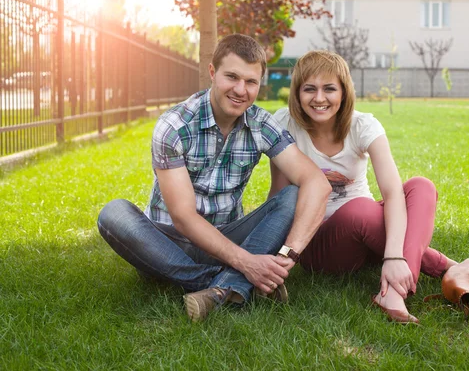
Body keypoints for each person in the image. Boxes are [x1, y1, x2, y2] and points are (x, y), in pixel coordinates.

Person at [97, 34, 331, 322]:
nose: (240, 90)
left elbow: (317, 182)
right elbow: (183, 217)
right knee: (113, 214)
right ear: (212, 73)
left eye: (251, 82)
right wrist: (249, 263)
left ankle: (222, 289)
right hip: (166, 242)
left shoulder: (262, 124)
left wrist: (287, 257)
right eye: (231, 77)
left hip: (226, 235)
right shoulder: (175, 125)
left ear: (260, 84)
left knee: (294, 194)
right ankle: (233, 283)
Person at [269, 50, 457, 324]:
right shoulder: (284, 123)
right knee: (361, 210)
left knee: (421, 186)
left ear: (344, 92)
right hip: (319, 242)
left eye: (329, 89)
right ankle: (443, 266)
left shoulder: (363, 126)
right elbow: (280, 195)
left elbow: (392, 193)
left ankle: (393, 291)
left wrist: (393, 255)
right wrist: (274, 254)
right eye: (309, 89)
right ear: (297, 93)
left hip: (367, 230)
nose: (319, 98)